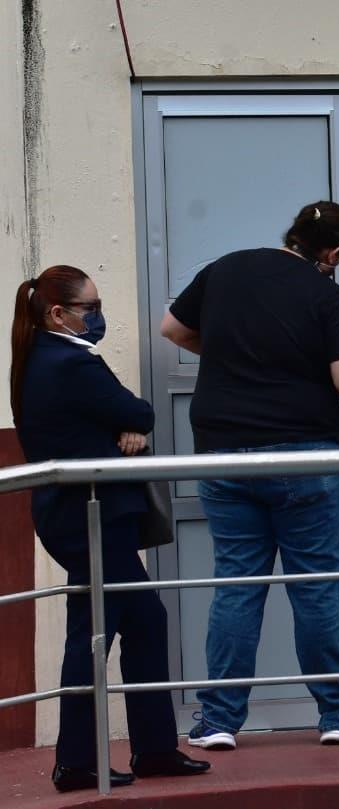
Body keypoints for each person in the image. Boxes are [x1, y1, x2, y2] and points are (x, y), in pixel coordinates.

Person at [159, 201, 339, 749]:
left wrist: (235, 354)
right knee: (315, 590)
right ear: (332, 253)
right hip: (304, 458)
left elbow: (171, 327)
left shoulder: (227, 268)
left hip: (224, 455)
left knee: (236, 586)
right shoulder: (327, 297)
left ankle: (217, 721)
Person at [11, 265, 210, 792]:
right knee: (91, 636)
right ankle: (76, 762)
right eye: (90, 309)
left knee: (145, 620)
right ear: (58, 314)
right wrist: (130, 425)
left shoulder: (46, 358)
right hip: (90, 518)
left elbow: (121, 418)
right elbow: (139, 410)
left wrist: (126, 427)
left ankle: (154, 749)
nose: (98, 317)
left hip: (88, 517)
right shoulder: (69, 363)